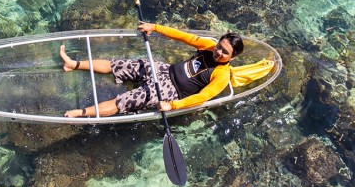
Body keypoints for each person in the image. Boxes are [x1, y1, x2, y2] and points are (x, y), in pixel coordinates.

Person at [59, 22, 244, 118]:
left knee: (126, 100)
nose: (218, 52)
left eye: (225, 52)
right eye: (220, 46)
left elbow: (201, 98)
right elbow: (182, 36)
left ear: (233, 57)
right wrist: (154, 28)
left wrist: (172, 106)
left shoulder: (221, 75)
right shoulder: (209, 46)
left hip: (171, 92)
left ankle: (80, 112)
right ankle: (73, 64)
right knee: (122, 64)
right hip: (165, 70)